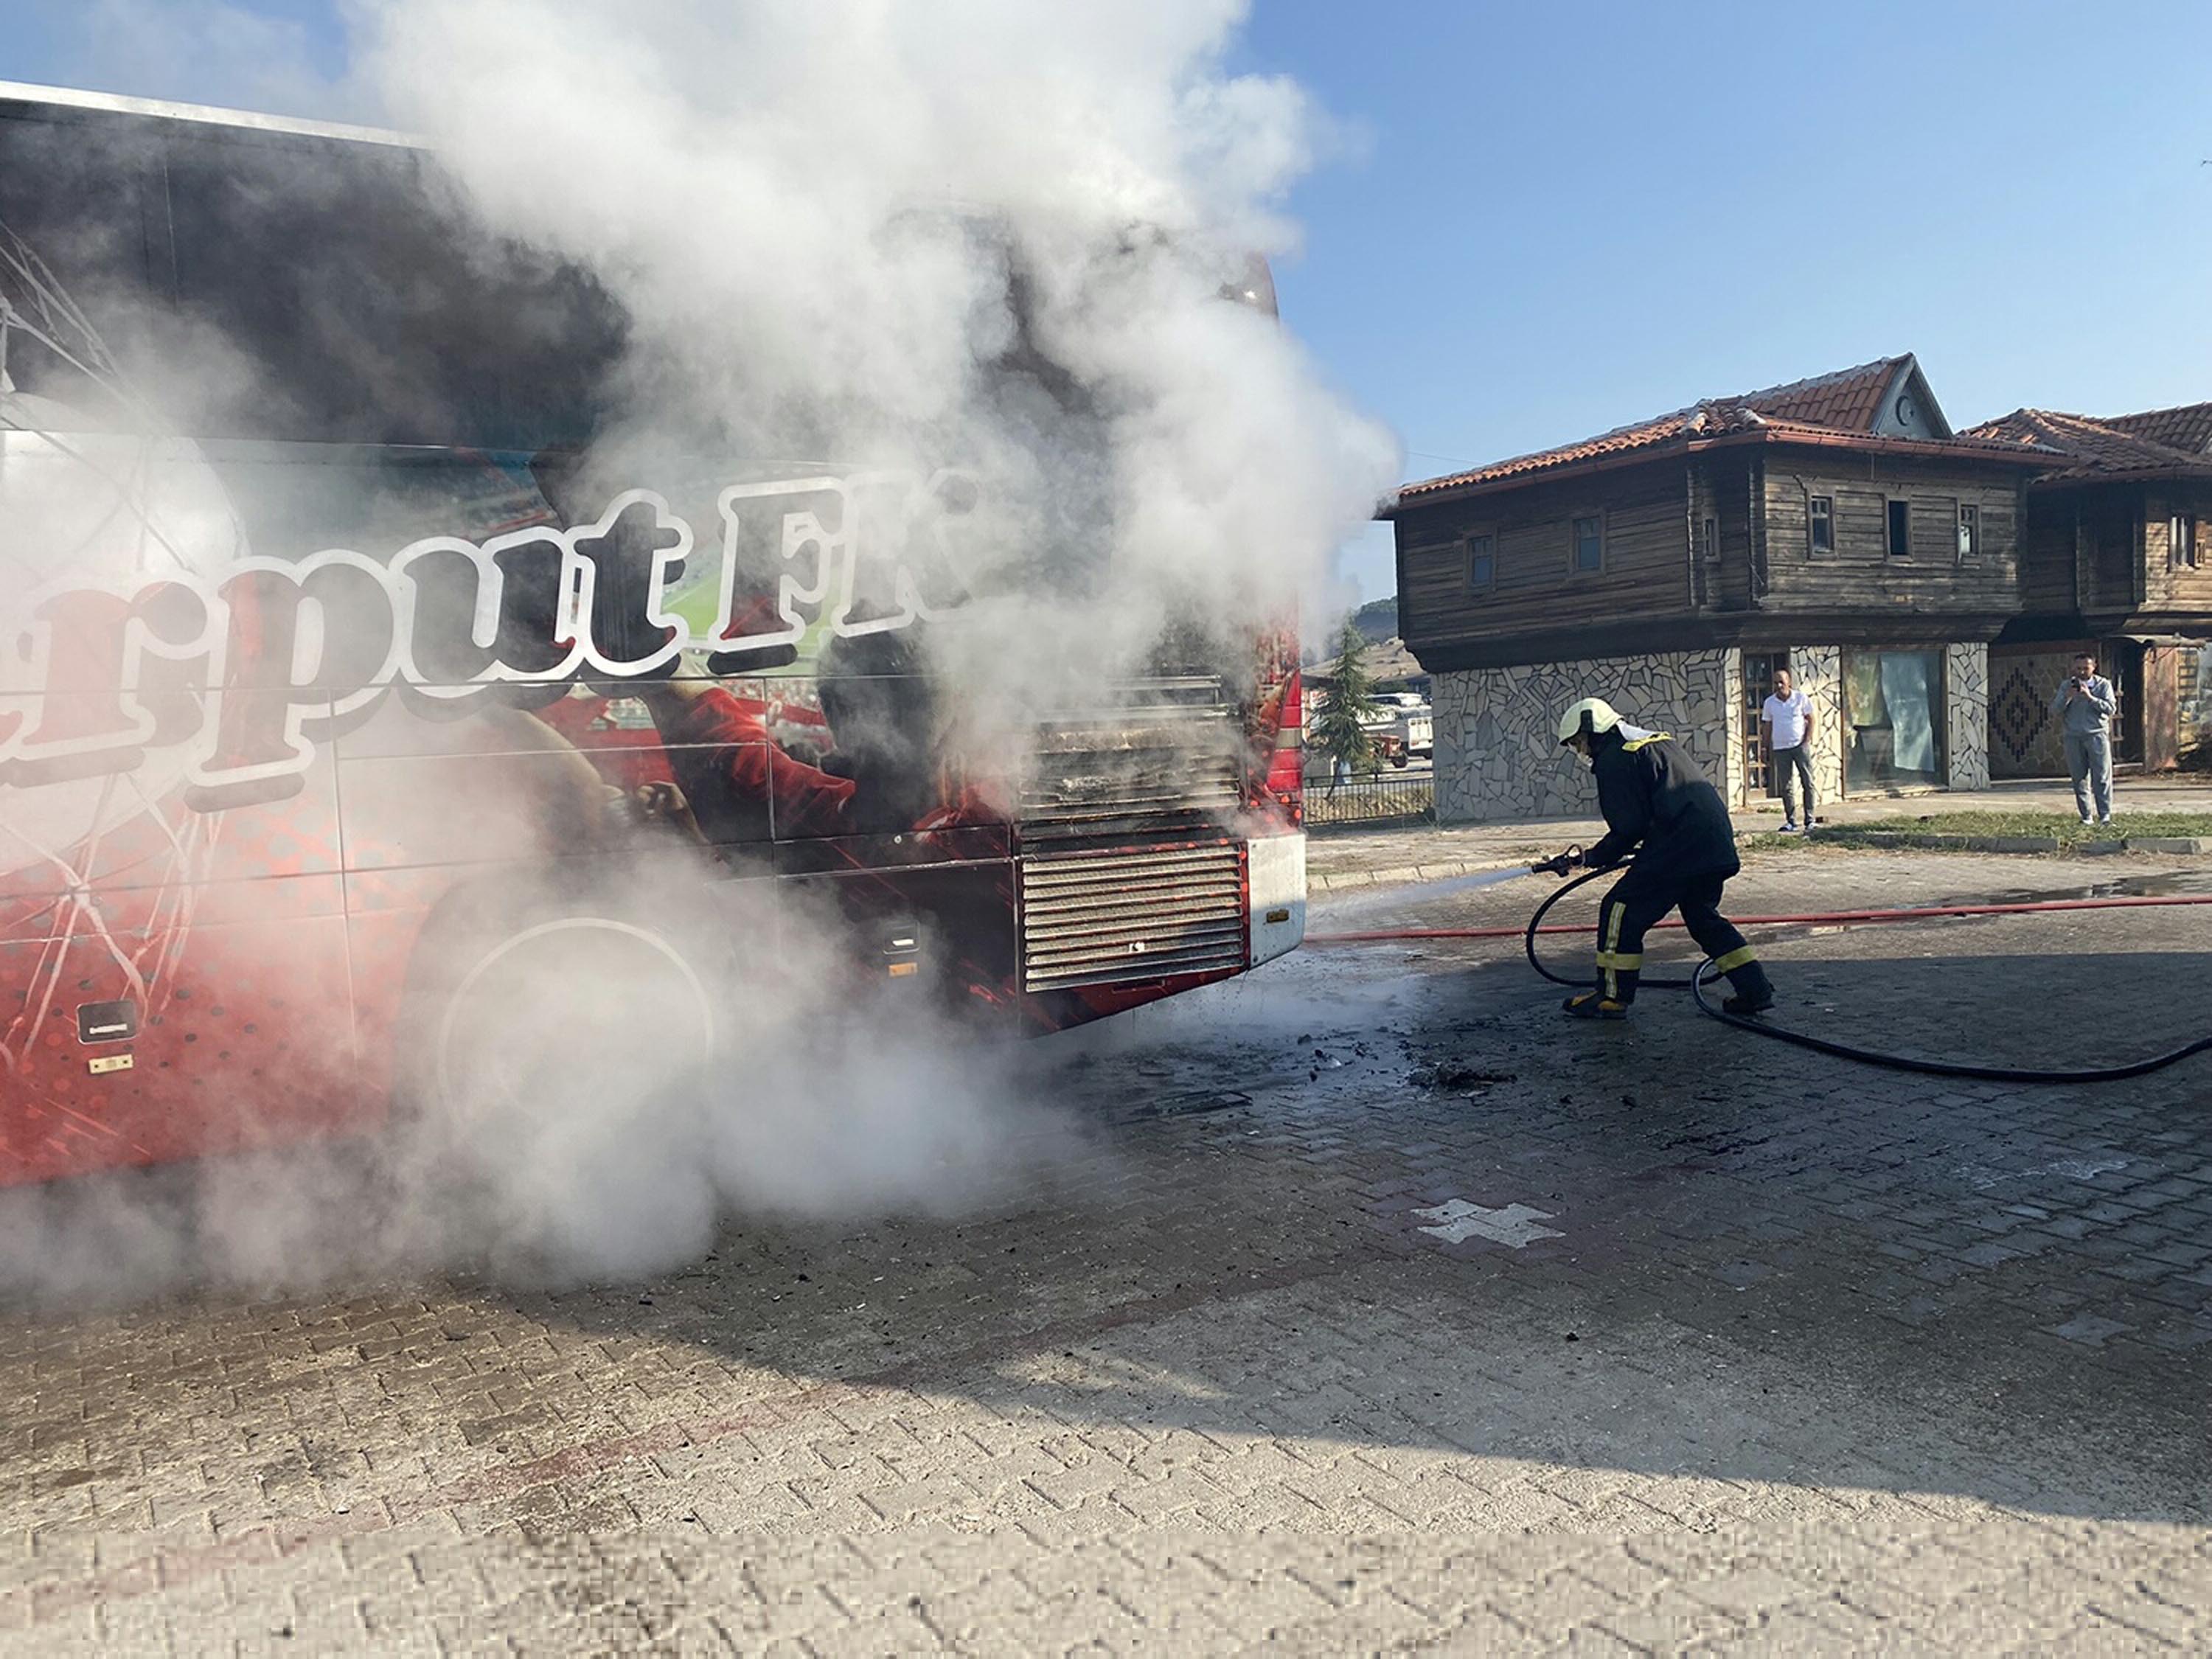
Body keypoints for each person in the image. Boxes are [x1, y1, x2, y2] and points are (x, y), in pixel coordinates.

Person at [1551, 696, 1775, 1020]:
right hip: (1713, 842)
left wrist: (1590, 857)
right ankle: (1755, 990)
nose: (1580, 750)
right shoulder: (1653, 742)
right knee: (1702, 917)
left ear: (1591, 732)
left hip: (1680, 847)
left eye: (1578, 742)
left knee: (1619, 910)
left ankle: (1611, 998)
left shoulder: (1615, 757)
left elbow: (1630, 827)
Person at [2053, 650, 2116, 826]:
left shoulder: (2103, 685)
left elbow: (2111, 709)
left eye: (2085, 668)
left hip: (2097, 735)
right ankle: (2086, 816)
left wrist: (2091, 698)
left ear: (2094, 667)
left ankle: (2105, 816)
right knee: (2079, 778)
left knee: (2102, 777)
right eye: (2078, 668)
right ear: (2073, 668)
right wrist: (2068, 698)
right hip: (2073, 737)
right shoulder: (2067, 686)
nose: (2081, 672)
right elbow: (2055, 710)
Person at [1759, 666, 1818, 833]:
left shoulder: (1800, 698)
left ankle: (1810, 819)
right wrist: (1764, 747)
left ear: (1789, 682)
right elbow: (1767, 725)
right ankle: (1791, 821)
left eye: (1782, 682)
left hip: (1799, 746)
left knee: (1808, 782)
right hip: (1780, 748)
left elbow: (1811, 719)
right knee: (1786, 786)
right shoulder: (1770, 703)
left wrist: (1807, 739)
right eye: (1776, 683)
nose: (1779, 686)